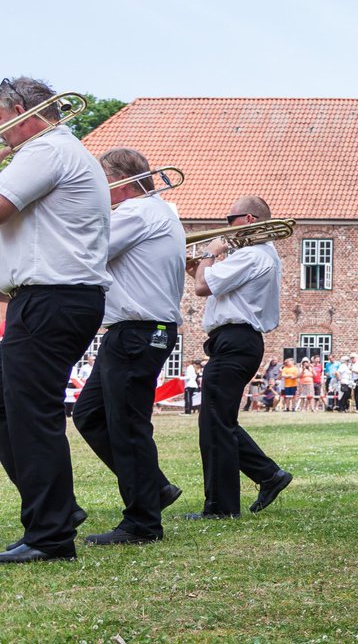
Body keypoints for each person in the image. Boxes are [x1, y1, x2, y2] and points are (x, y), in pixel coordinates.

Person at [0, 76, 111, 564]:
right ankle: (57, 513)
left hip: (52, 298)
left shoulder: (44, 151)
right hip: (54, 297)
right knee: (11, 407)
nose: (0, 133)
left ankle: (50, 535)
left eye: (1, 121)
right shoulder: (57, 151)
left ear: (23, 111)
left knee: (32, 412)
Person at [71, 148, 186, 546]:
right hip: (132, 330)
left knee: (128, 424)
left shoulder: (136, 213)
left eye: (101, 181)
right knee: (90, 415)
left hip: (137, 330)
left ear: (119, 181)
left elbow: (87, 251)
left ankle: (142, 522)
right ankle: (152, 489)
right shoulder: (161, 211)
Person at [185, 195, 292, 519]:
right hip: (237, 340)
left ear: (247, 220)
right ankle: (268, 475)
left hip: (235, 340)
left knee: (215, 421)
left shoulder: (252, 254)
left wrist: (207, 254)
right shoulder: (257, 255)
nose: (224, 226)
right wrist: (200, 268)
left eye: (229, 219)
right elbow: (213, 286)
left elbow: (203, 288)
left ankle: (222, 506)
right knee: (218, 420)